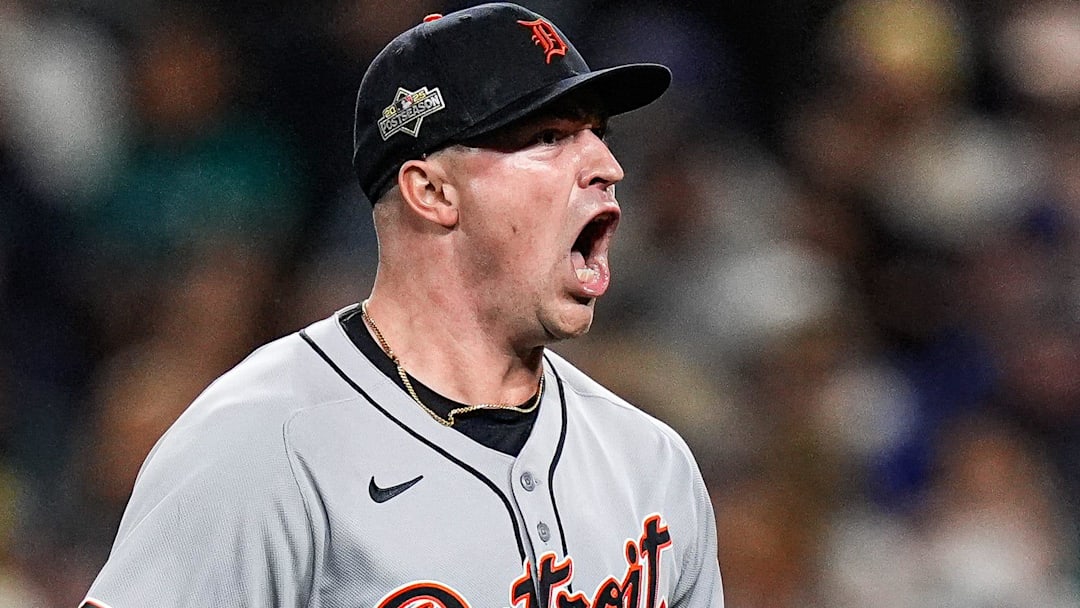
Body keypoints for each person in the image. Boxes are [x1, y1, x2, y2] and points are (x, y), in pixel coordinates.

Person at [80, 3, 723, 607]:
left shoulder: (652, 463)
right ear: (432, 191)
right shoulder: (262, 446)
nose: (607, 164)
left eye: (598, 134)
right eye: (550, 136)